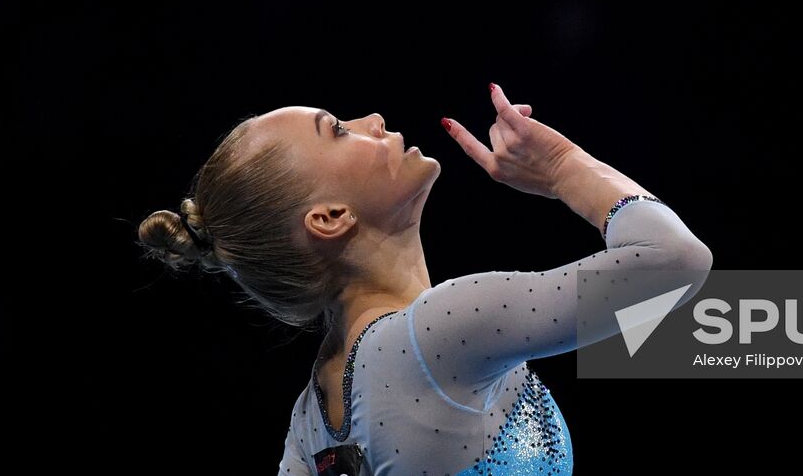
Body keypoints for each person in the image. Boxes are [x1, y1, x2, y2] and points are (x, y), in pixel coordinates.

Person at [138, 83, 713, 475]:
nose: (373, 120)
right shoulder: (436, 334)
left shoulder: (309, 426)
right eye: (338, 130)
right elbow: (675, 262)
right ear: (330, 218)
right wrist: (564, 169)